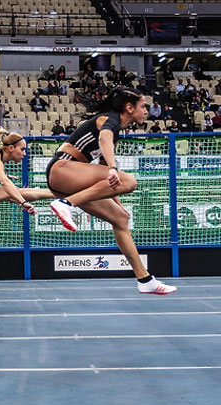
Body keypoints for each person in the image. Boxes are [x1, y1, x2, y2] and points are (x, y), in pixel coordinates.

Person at [45, 87, 176, 295]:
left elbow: (107, 180)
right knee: (130, 181)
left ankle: (144, 279)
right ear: (129, 107)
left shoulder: (117, 132)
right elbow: (104, 139)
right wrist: (114, 168)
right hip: (62, 169)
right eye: (143, 107)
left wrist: (119, 204)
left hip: (70, 182)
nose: (146, 111)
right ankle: (66, 204)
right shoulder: (109, 120)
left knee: (121, 219)